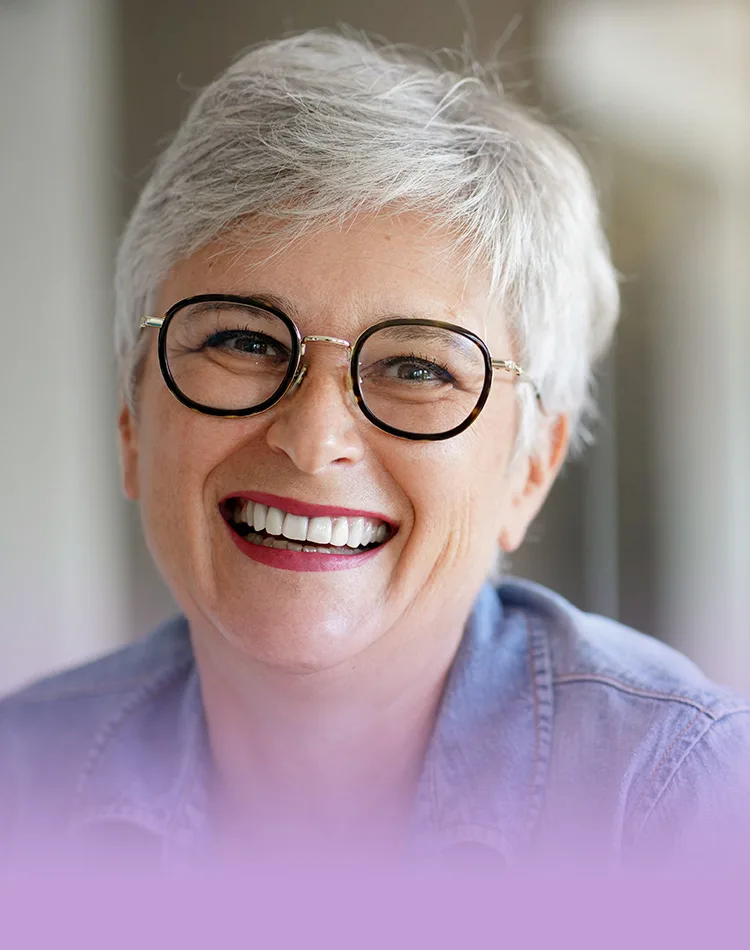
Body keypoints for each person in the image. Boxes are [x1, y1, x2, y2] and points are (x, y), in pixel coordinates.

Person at [1, 29, 748, 868]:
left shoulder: (681, 802)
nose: (313, 439)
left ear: (530, 470)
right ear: (132, 422)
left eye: (418, 366)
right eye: (246, 343)